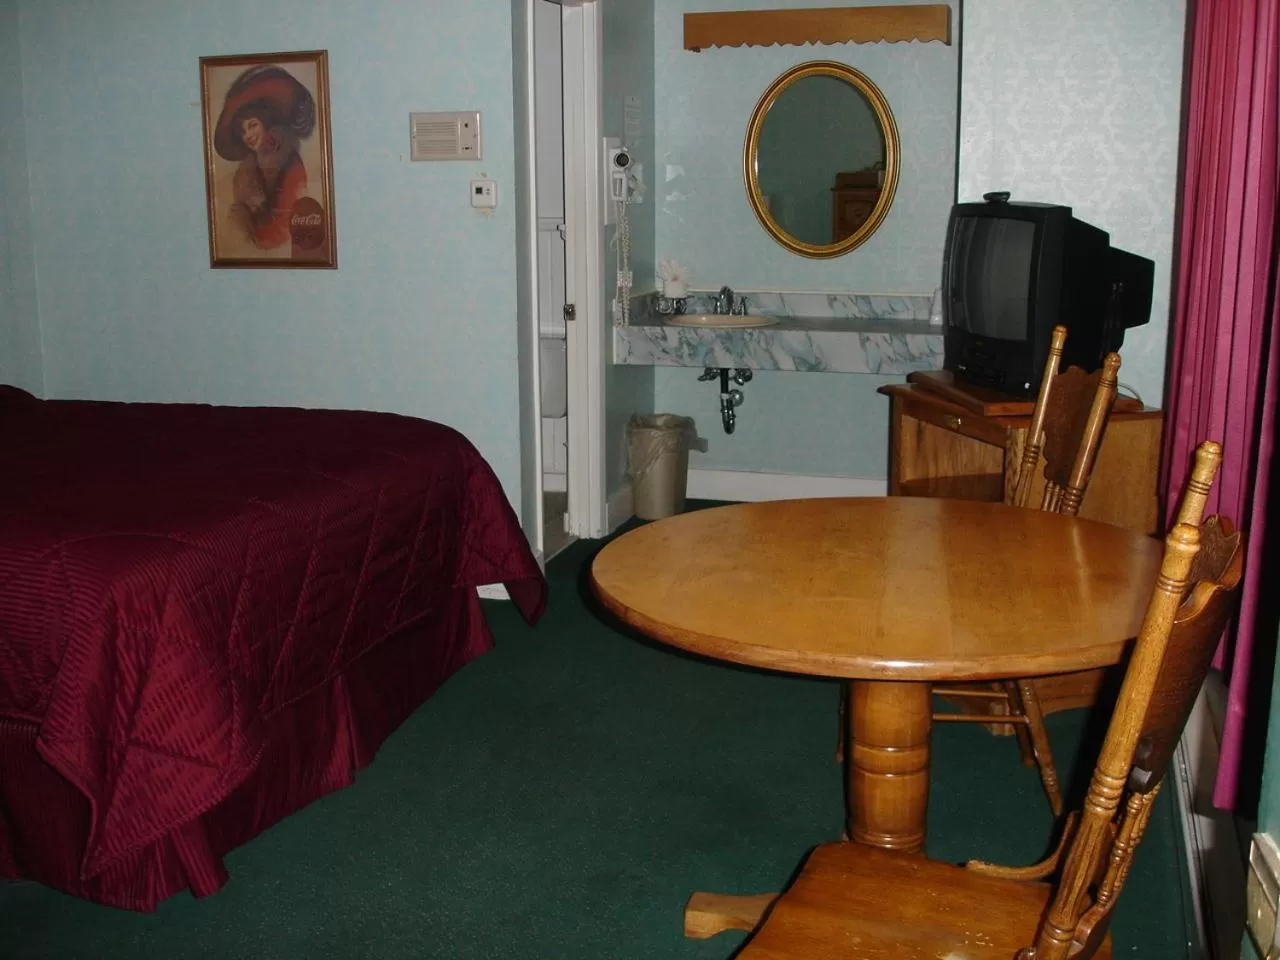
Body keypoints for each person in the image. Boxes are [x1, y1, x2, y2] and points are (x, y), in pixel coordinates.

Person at [212, 65, 316, 251]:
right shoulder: (248, 168)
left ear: (266, 124)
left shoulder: (290, 164)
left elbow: (281, 231)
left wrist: (248, 227)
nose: (248, 136)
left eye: (253, 125)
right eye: (242, 131)